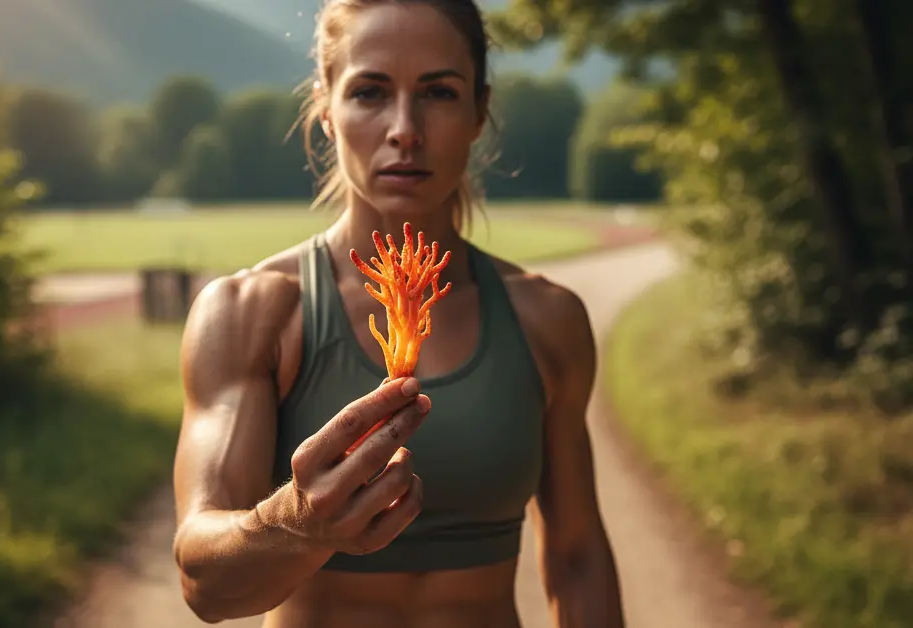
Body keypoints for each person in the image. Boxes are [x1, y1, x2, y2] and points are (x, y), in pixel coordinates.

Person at [172, 0, 625, 626]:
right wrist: (297, 523)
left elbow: (577, 558)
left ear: (479, 111)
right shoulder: (251, 313)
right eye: (370, 92)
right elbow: (204, 584)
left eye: (439, 92)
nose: (405, 129)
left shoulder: (547, 319)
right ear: (325, 107)